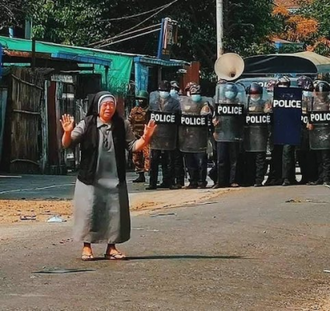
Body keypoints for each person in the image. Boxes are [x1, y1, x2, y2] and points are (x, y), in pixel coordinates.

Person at [60, 91, 156, 261]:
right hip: (90, 178)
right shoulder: (87, 123)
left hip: (114, 178)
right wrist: (67, 132)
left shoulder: (121, 124)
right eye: (105, 104)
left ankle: (111, 248)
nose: (108, 107)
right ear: (97, 107)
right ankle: (87, 247)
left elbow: (133, 146)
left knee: (114, 213)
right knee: (89, 212)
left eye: (111, 104)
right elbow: (67, 144)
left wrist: (146, 137)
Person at [147, 80, 181, 190]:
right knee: (154, 161)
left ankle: (169, 182)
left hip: (169, 136)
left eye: (166, 90)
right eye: (162, 90)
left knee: (169, 161)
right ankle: (152, 183)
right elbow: (148, 117)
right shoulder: (153, 102)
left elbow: (178, 119)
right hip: (156, 136)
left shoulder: (175, 102)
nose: (164, 92)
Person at [213, 82, 245, 188]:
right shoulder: (219, 103)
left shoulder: (239, 103)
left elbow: (243, 119)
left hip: (234, 134)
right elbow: (214, 117)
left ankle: (233, 180)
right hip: (221, 134)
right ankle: (220, 181)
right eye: (227, 91)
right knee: (221, 159)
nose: (229, 93)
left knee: (234, 160)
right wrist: (214, 127)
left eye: (231, 91)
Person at [179, 83, 211, 188]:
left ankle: (202, 181)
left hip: (200, 139)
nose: (195, 95)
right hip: (187, 138)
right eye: (193, 93)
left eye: (197, 93)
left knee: (201, 163)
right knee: (190, 163)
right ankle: (192, 181)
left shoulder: (205, 103)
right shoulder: (183, 103)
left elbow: (208, 116)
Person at [243, 83, 271, 187]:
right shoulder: (245, 105)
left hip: (261, 136)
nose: (255, 96)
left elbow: (269, 118)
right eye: (252, 93)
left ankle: (259, 180)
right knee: (250, 160)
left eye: (257, 93)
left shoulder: (265, 103)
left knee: (260, 160)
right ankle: (250, 179)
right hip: (249, 138)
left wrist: (268, 111)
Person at [296, 76, 318, 184]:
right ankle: (304, 177)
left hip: (312, 133)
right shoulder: (296, 100)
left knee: (311, 156)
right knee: (301, 155)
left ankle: (312, 177)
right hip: (300, 131)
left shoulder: (316, 100)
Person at [308, 81, 330, 186]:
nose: (322, 96)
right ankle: (320, 178)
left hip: (327, 134)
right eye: (320, 94)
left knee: (326, 158)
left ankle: (326, 178)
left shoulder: (329, 103)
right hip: (316, 135)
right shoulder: (313, 103)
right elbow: (309, 117)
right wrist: (309, 123)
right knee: (318, 158)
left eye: (324, 94)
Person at [128, 90, 150, 183]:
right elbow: (129, 122)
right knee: (137, 157)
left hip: (148, 137)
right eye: (139, 99)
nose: (140, 101)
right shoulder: (134, 110)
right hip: (137, 137)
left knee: (148, 156)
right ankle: (141, 175)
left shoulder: (150, 110)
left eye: (142, 99)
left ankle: (152, 176)